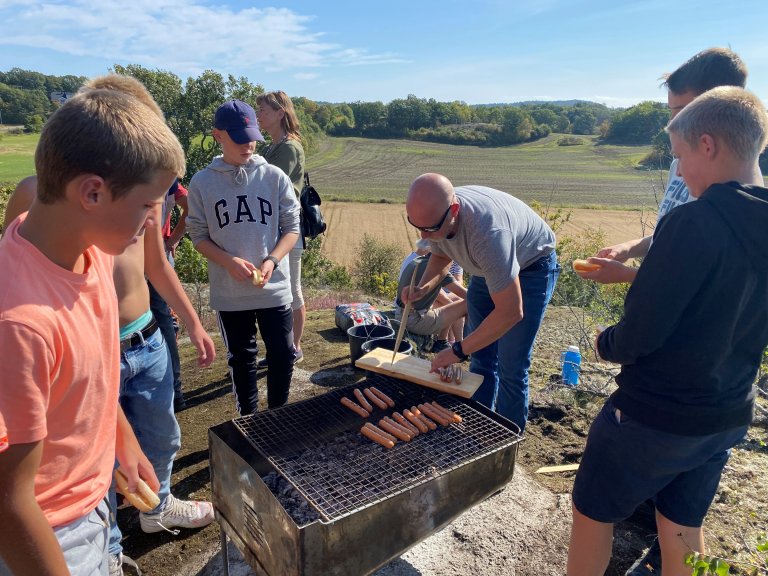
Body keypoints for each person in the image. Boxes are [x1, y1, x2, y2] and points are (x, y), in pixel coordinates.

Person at [2, 75, 218, 576]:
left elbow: (94, 378)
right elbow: (9, 504)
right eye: (146, 207)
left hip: (96, 499)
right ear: (92, 193)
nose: (152, 224)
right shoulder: (19, 326)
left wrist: (121, 440)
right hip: (54, 532)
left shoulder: (93, 254)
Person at [567, 86, 768, 576]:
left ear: (707, 145)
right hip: (724, 414)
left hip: (654, 415)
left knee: (591, 513)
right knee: (680, 524)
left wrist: (603, 342)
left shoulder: (693, 221)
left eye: (679, 157)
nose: (679, 172)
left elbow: (640, 333)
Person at [576, 47, 748, 285]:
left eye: (681, 111)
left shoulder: (735, 190)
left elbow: (709, 285)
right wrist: (627, 248)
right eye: (671, 111)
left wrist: (629, 276)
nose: (672, 123)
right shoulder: (680, 167)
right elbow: (668, 237)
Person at [404, 174, 559, 431]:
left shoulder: (488, 234)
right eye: (416, 225)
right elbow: (441, 256)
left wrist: (456, 350)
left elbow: (510, 312)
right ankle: (479, 429)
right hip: (486, 269)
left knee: (511, 364)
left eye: (430, 228)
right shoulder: (436, 214)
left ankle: (505, 441)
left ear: (454, 210)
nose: (423, 234)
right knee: (481, 359)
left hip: (531, 267)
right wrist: (424, 287)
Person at [187, 99, 300, 416]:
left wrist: (272, 260)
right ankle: (248, 421)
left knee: (283, 354)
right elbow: (198, 235)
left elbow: (292, 228)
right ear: (218, 135)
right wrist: (228, 261)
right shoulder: (202, 182)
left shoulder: (274, 176)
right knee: (242, 358)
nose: (248, 144)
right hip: (230, 293)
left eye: (251, 136)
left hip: (273, 287)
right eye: (239, 137)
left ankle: (278, 415)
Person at [256, 91, 307, 365]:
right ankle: (283, 347)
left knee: (292, 290)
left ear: (279, 113)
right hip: (275, 229)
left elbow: (273, 189)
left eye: (263, 110)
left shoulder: (287, 147)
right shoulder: (272, 147)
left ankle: (294, 348)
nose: (258, 115)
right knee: (279, 290)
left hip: (288, 229)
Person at [149, 177, 190, 411]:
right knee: (164, 319)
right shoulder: (167, 176)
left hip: (142, 255)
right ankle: (176, 393)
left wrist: (173, 238)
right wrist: (174, 239)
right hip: (163, 253)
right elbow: (190, 206)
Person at [395, 238, 467, 352]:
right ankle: (457, 347)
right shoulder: (439, 270)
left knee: (452, 303)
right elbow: (467, 296)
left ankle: (452, 343)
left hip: (402, 312)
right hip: (413, 320)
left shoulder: (418, 260)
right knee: (466, 305)